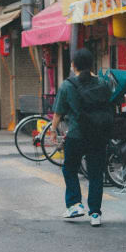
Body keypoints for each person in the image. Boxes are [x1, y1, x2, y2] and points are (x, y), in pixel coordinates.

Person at [47, 48, 112, 227]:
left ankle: (75, 205)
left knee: (69, 169)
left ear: (73, 65)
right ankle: (95, 214)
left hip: (76, 134)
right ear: (92, 64)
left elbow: (58, 113)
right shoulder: (103, 83)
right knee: (96, 174)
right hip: (98, 135)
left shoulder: (68, 85)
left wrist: (53, 131)